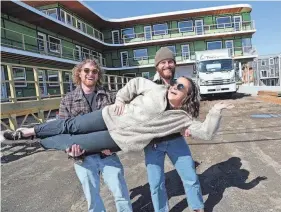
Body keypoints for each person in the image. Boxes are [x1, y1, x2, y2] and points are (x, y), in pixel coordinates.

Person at [3, 76, 233, 154]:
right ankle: (28, 131)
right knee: (71, 125)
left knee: (76, 143)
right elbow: (133, 84)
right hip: (108, 116)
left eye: (181, 87)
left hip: (120, 139)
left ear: (187, 97)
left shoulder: (181, 119)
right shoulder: (156, 88)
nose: (174, 86)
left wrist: (215, 112)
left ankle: (39, 142)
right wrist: (121, 99)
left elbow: (206, 133)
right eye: (175, 83)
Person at [49, 59, 133, 212]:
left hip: (108, 154)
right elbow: (61, 130)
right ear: (79, 74)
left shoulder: (109, 97)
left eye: (94, 71)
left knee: (121, 194)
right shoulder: (68, 100)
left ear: (98, 75)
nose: (90, 74)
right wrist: (69, 150)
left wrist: (115, 147)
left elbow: (122, 125)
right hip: (83, 157)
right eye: (86, 71)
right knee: (93, 200)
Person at [144, 47, 204, 212]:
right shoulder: (148, 86)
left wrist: (187, 123)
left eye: (170, 61)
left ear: (174, 64)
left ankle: (197, 207)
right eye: (163, 62)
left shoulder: (181, 85)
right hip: (152, 143)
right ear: (157, 66)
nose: (167, 65)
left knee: (190, 177)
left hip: (175, 139)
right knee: (156, 184)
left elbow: (192, 108)